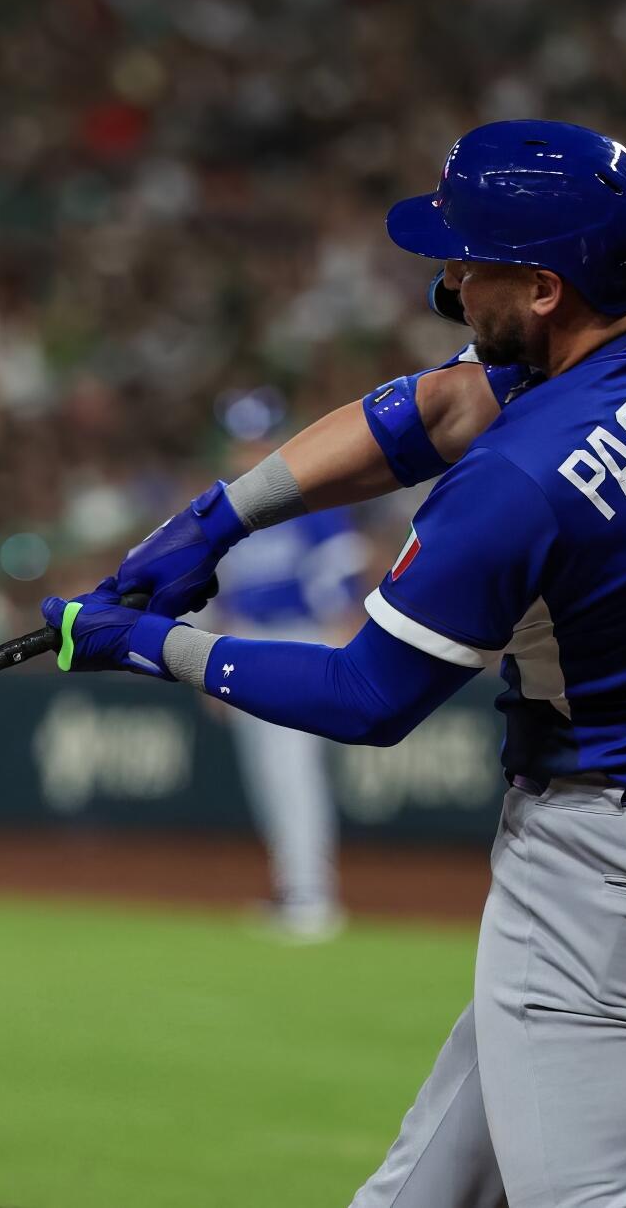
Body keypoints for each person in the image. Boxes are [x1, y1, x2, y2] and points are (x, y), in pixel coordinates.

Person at [43, 119, 626, 1207]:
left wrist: (148, 645)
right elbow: (438, 404)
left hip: (623, 870)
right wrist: (216, 518)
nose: (453, 280)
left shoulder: (522, 480)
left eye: (473, 262)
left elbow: (366, 694)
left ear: (551, 288)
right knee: (426, 1193)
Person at [209, 388, 368, 941]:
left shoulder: (310, 494)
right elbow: (224, 595)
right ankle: (293, 888)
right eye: (241, 440)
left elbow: (343, 576)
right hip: (249, 643)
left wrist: (342, 645)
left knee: (293, 772)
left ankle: (312, 897)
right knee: (269, 776)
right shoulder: (229, 512)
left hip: (303, 640)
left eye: (258, 438)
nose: (248, 450)